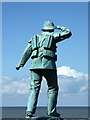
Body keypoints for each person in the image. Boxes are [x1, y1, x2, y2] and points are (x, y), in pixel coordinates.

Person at [16, 20, 72, 118]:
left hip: (34, 65)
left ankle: (29, 111)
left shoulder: (35, 38)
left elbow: (27, 52)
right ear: (51, 29)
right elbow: (68, 33)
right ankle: (51, 112)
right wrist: (58, 27)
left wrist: (21, 64)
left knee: (33, 88)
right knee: (53, 88)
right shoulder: (53, 36)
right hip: (48, 65)